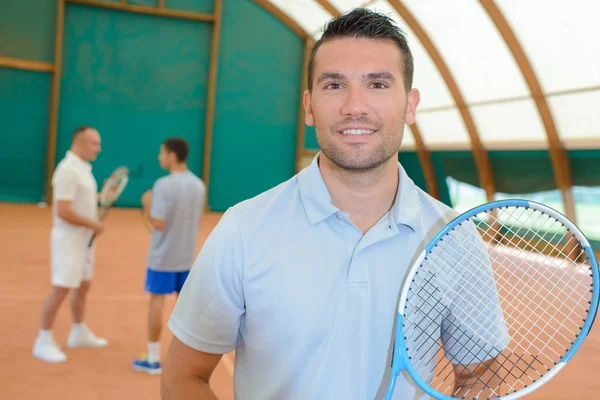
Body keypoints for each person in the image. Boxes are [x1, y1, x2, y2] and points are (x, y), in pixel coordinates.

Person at [160, 8, 507, 400]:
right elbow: (183, 377)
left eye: (377, 84)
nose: (354, 106)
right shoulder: (243, 229)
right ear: (308, 106)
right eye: (334, 85)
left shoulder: (454, 238)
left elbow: (481, 373)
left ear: (410, 105)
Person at [33, 126, 108, 364]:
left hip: (85, 241)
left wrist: (100, 198)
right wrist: (93, 224)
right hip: (69, 241)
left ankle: (78, 332)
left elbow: (81, 200)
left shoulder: (84, 169)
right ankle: (43, 339)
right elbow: (63, 210)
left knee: (83, 285)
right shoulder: (67, 170)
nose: (99, 148)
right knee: (61, 289)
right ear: (79, 142)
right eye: (95, 143)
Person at [132, 137, 206, 375]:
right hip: (186, 257)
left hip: (162, 258)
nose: (159, 157)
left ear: (172, 156)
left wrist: (146, 205)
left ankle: (153, 359)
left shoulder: (163, 185)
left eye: (162, 153)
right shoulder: (199, 185)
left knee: (157, 302)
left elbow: (158, 224)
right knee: (186, 308)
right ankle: (188, 361)